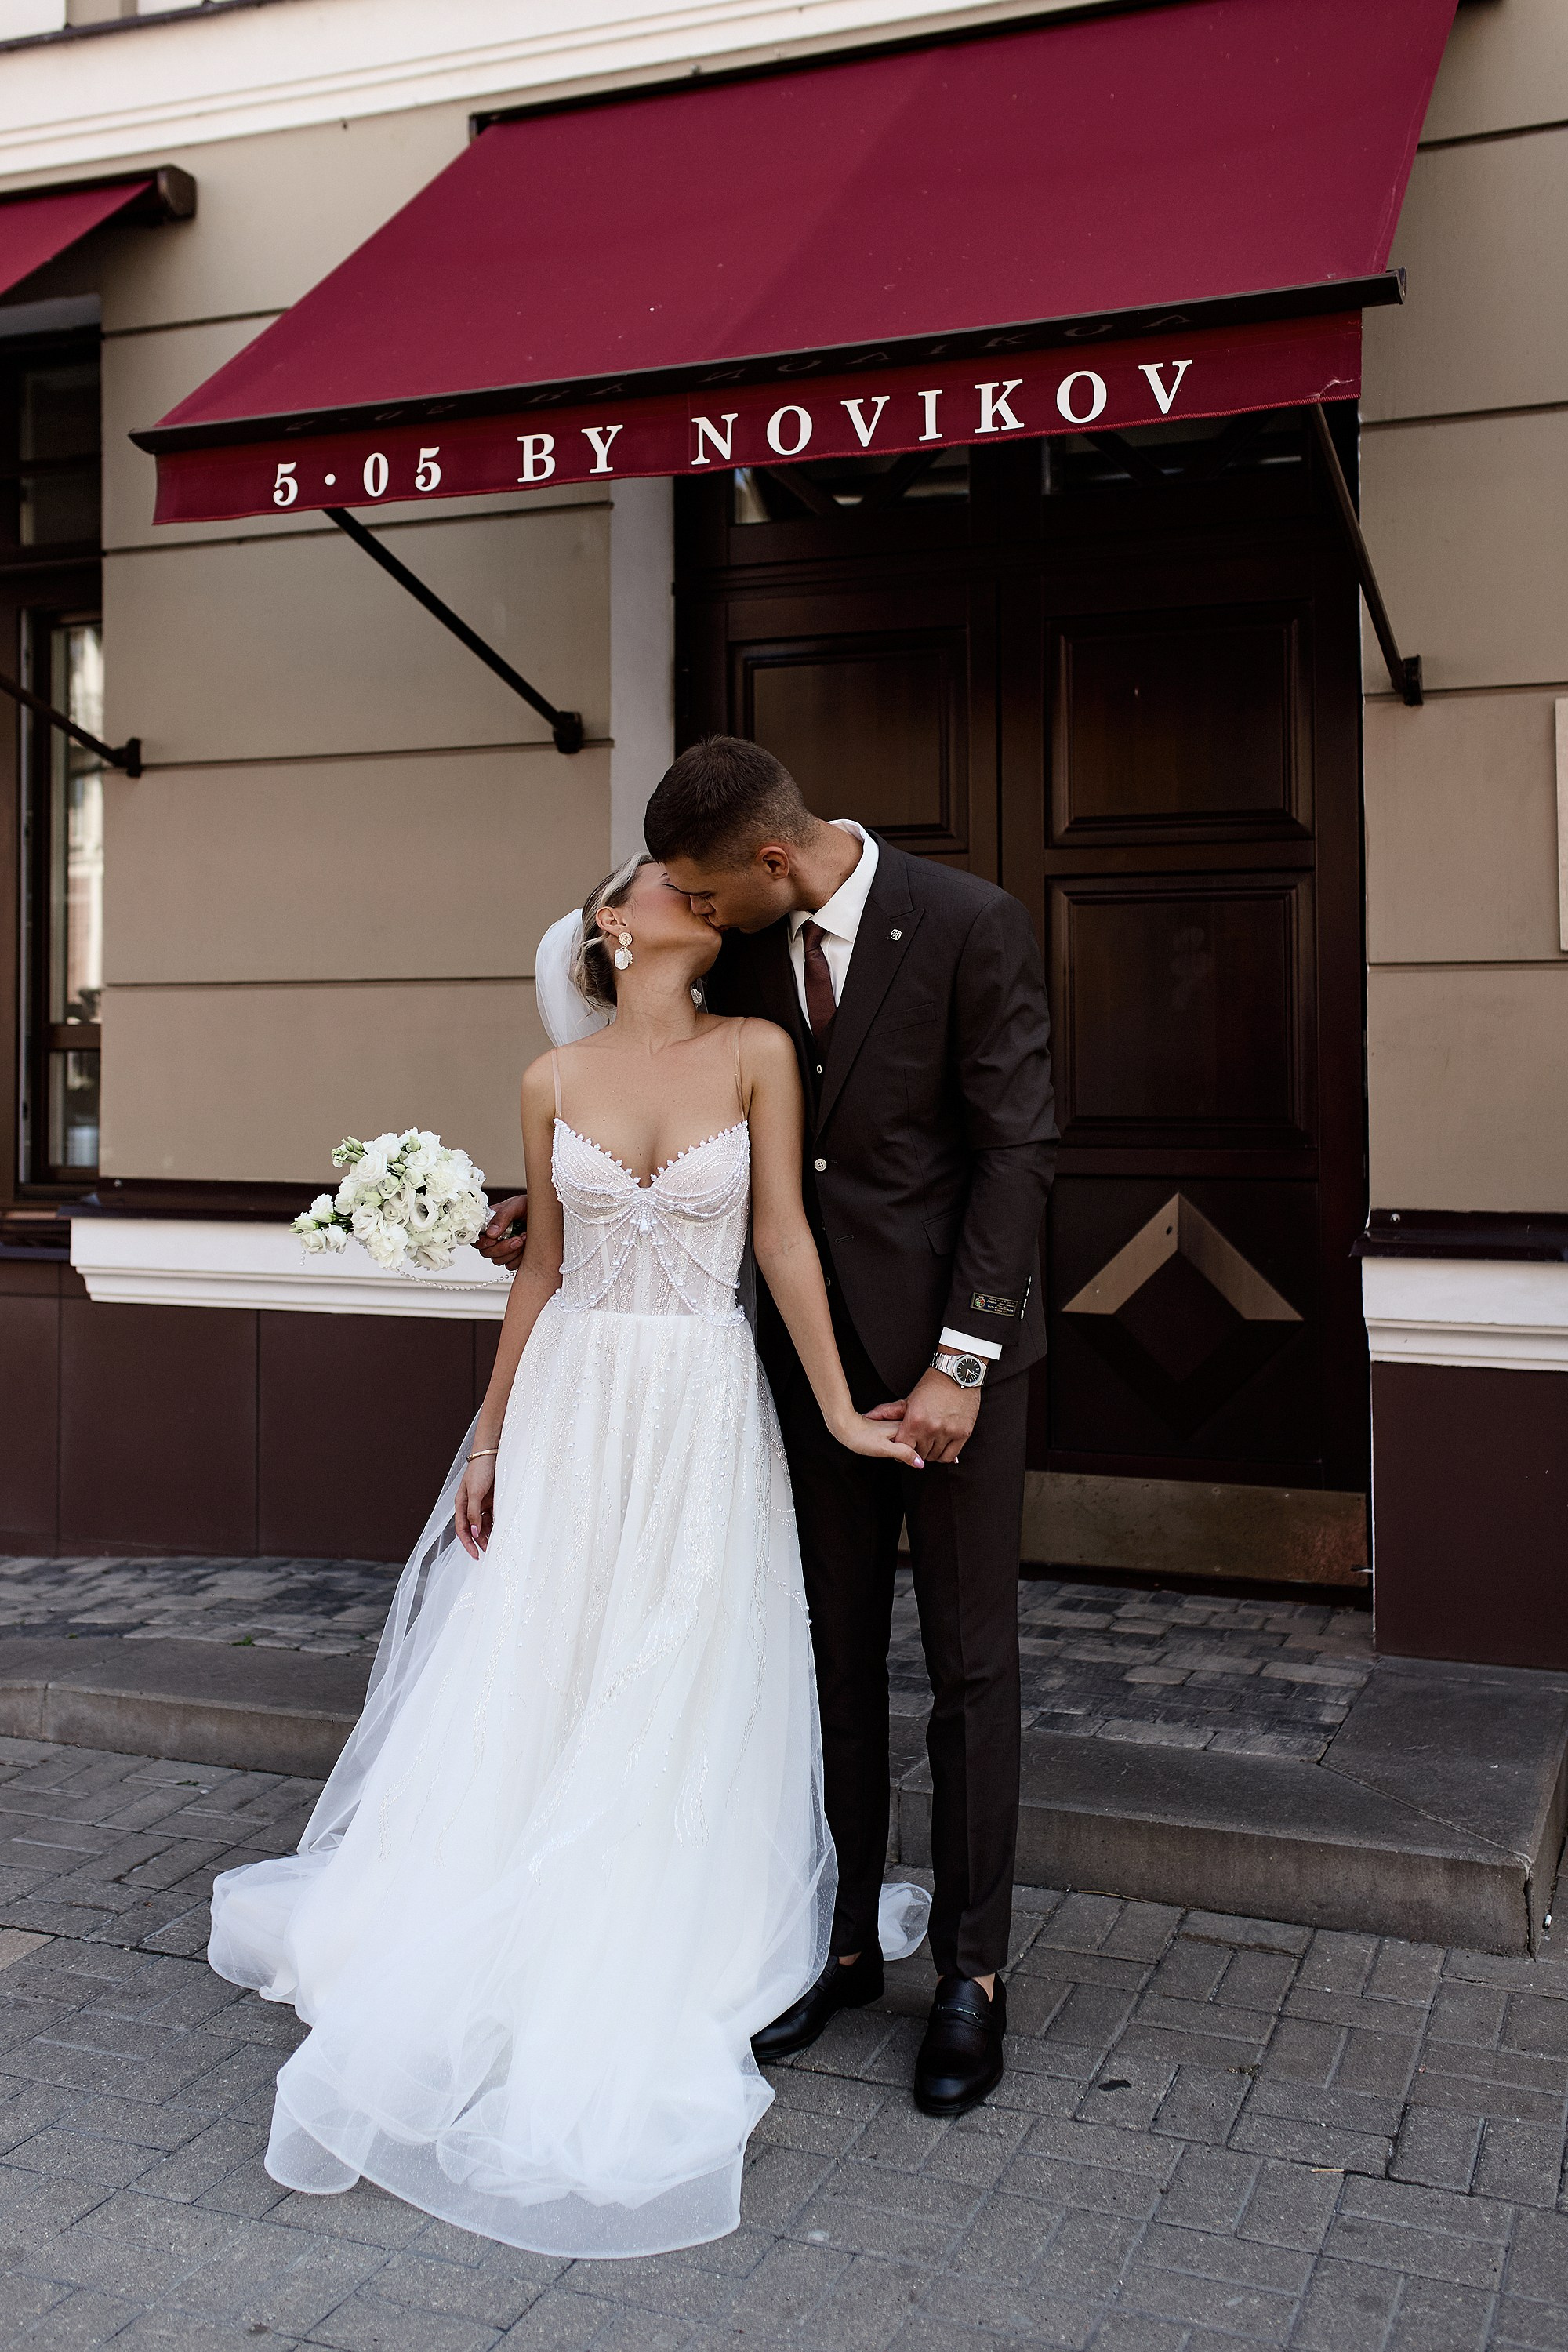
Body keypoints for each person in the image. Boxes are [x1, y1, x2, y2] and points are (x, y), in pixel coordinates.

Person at [207, 854, 928, 2259]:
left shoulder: (759, 1051)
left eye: (701, 891)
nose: (689, 901)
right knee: (550, 1640)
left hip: (705, 1399)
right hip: (577, 1398)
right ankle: (502, 1903)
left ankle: (661, 1912)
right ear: (615, 924)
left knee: (679, 1647)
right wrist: (486, 1442)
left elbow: (781, 1238)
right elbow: (540, 1267)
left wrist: (841, 1406)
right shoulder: (552, 1080)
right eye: (663, 886)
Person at [651, 739, 1056, 2118]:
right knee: (830, 1661)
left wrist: (962, 1361)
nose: (699, 922)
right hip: (802, 1369)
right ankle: (837, 1950)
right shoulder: (745, 950)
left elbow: (1019, 1150)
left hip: (950, 1373)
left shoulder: (967, 922)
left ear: (772, 860)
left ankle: (972, 1975)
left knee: (967, 1668)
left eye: (712, 897)